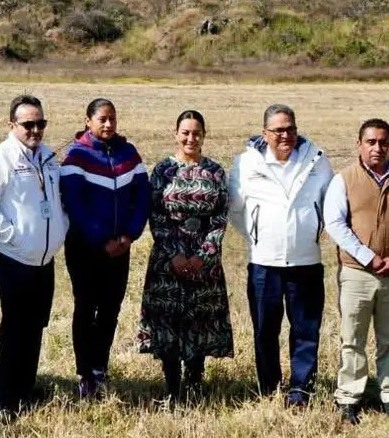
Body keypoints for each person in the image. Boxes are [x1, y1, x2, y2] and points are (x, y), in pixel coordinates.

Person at [323, 118, 389, 423]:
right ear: (359, 145)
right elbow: (335, 224)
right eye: (370, 142)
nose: (377, 148)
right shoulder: (343, 180)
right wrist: (369, 258)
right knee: (352, 338)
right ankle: (349, 397)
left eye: (383, 142)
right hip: (356, 272)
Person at [228, 103, 334, 407]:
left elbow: (330, 205)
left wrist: (313, 231)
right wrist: (257, 235)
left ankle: (301, 389)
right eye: (278, 130)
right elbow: (235, 208)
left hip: (306, 262)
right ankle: (270, 386)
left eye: (290, 128)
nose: (285, 135)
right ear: (265, 133)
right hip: (264, 264)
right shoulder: (247, 163)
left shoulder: (317, 160)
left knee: (306, 329)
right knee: (264, 330)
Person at [0, 95, 69, 415]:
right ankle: (6, 398)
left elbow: (56, 202)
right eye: (28, 124)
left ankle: (26, 389)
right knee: (15, 328)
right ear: (11, 125)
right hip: (15, 258)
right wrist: (14, 239)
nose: (35, 130)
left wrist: (60, 230)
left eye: (41, 123)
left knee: (36, 325)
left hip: (45, 258)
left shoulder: (48, 157)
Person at [136, 110, 234, 403]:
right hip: (168, 258)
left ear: (204, 135)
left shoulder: (215, 171)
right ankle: (171, 385)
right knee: (169, 319)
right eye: (185, 132)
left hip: (204, 258)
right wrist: (176, 255)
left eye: (196, 133)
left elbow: (220, 218)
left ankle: (194, 381)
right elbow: (156, 215)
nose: (191, 138)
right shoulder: (162, 170)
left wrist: (204, 256)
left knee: (199, 319)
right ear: (175, 133)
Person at [59, 97, 151, 400]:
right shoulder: (76, 156)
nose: (108, 124)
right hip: (85, 247)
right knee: (86, 308)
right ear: (88, 121)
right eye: (102, 119)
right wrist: (102, 239)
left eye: (112, 118)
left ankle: (100, 368)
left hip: (121, 248)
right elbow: (75, 204)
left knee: (110, 309)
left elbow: (143, 197)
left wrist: (130, 234)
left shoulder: (129, 153)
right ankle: (85, 373)